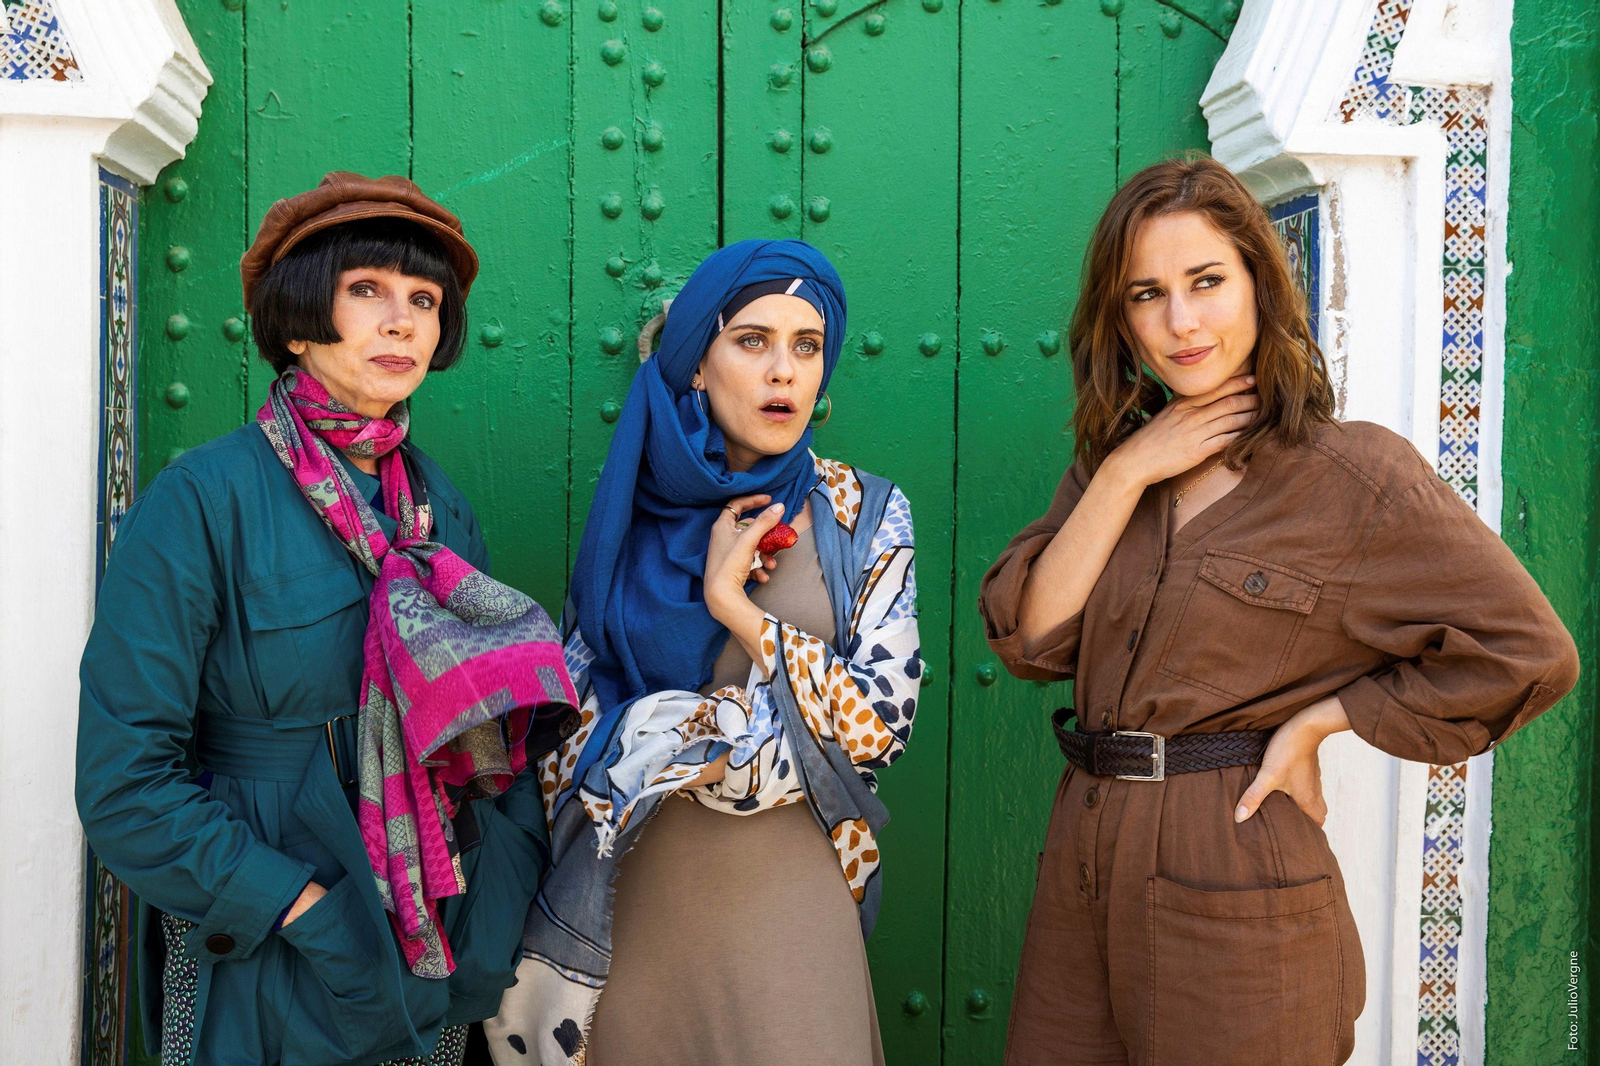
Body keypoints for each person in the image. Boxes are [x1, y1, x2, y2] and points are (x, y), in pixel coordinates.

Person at [978, 155, 1579, 1065]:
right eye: (1147, 294)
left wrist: (1323, 721)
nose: (1180, 321)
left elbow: (1527, 652)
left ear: (1261, 283)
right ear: (1121, 318)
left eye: (1206, 281)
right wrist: (1129, 469)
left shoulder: (1355, 475)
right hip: (1084, 864)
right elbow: (1030, 638)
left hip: (1234, 874)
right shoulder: (1112, 473)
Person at [76, 172, 576, 1066]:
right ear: (302, 317)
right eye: (367, 291)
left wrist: (497, 891)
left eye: (424, 298)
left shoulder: (438, 511)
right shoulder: (204, 501)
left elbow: (487, 737)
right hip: (269, 939)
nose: (402, 321)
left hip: (431, 940)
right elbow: (124, 786)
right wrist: (307, 911)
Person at [486, 240, 922, 1066]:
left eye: (807, 345)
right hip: (633, 905)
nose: (784, 372)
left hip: (792, 907)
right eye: (752, 341)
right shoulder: (630, 515)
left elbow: (877, 728)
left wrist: (732, 606)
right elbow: (568, 734)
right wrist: (736, 729)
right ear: (694, 364)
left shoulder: (863, 513)